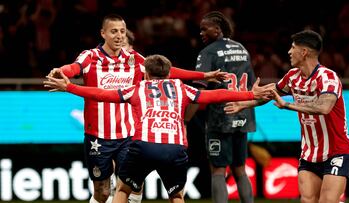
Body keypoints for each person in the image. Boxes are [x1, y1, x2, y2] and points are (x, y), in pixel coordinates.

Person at [47, 14, 228, 203]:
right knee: (102, 192)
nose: (119, 36)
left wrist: (204, 75)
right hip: (98, 136)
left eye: (122, 31)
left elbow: (167, 71)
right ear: (103, 33)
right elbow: (73, 68)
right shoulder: (90, 57)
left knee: (132, 187)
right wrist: (61, 71)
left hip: (128, 135)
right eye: (114, 31)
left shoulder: (134, 59)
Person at [44, 54, 273, 203]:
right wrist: (251, 94)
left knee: (123, 190)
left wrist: (70, 87)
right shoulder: (181, 88)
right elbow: (217, 95)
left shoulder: (138, 88)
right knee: (176, 195)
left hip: (143, 146)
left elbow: (102, 94)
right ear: (168, 72)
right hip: (175, 148)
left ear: (145, 73)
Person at [224, 30, 349, 203]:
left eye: (293, 48)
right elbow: (270, 94)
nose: (289, 52)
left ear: (304, 52)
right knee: (307, 200)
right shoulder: (292, 77)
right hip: (309, 153)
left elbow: (324, 107)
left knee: (328, 201)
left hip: (337, 151)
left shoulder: (328, 78)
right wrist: (243, 104)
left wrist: (288, 105)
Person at [186, 11, 256, 203]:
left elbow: (199, 91)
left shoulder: (208, 52)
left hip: (220, 118)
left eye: (204, 29)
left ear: (217, 29)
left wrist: (185, 119)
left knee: (218, 170)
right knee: (240, 169)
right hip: (243, 115)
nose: (201, 33)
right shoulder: (241, 48)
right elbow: (252, 85)